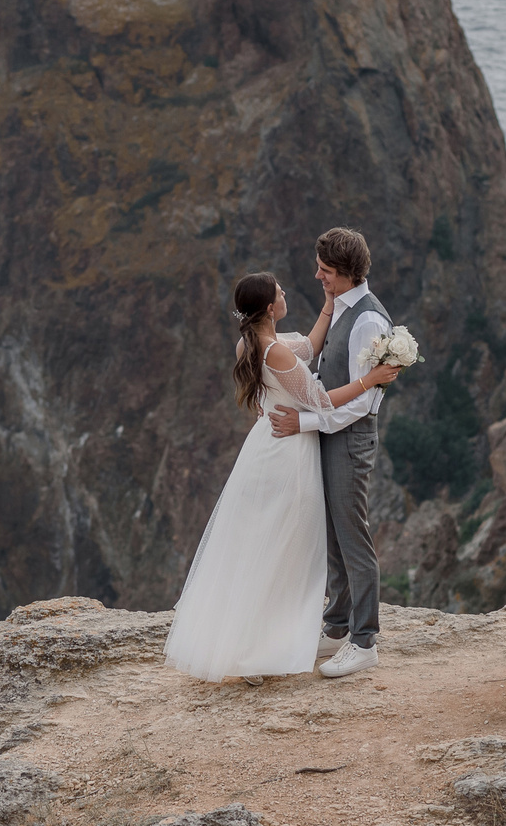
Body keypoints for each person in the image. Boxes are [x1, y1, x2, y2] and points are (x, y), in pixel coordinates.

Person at [163, 271, 400, 681]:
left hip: (264, 450)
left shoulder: (251, 342)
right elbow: (322, 402)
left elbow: (309, 346)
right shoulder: (274, 352)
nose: (286, 292)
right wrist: (369, 380)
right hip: (287, 453)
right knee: (280, 548)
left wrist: (330, 301)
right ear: (271, 308)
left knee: (260, 543)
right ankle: (253, 648)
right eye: (280, 292)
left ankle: (250, 640)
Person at [268, 227, 388, 679]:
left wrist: (305, 421)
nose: (317, 275)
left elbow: (363, 402)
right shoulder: (340, 308)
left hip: (350, 441)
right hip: (330, 436)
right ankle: (337, 626)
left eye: (326, 270)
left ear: (349, 274)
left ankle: (364, 641)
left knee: (353, 539)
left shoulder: (369, 321)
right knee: (333, 539)